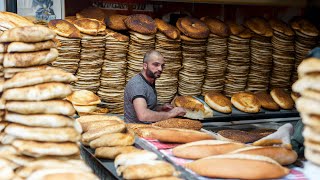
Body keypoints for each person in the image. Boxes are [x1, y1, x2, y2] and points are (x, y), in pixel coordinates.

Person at [124, 50, 186, 123]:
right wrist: (171, 114)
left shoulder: (149, 81)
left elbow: (147, 106)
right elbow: (143, 115)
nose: (160, 69)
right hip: (136, 129)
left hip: (148, 126)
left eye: (162, 65)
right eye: (156, 65)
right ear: (145, 66)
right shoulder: (137, 85)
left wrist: (160, 108)